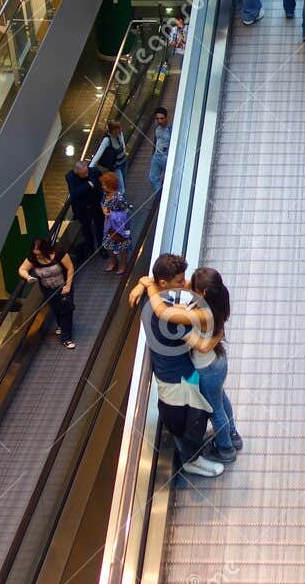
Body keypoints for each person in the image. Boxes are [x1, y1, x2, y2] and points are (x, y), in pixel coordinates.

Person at [129, 254, 224, 478]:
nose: (186, 284)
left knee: (191, 417)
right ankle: (191, 460)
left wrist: (144, 282)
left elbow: (156, 292)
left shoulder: (150, 298)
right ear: (163, 283)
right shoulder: (168, 320)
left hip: (173, 372)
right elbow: (201, 345)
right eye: (180, 281)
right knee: (191, 419)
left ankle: (193, 451)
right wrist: (220, 332)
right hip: (177, 379)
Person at [141, 266, 240, 463]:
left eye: (191, 286)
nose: (185, 285)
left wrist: (149, 287)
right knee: (220, 399)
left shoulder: (201, 314)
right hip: (217, 362)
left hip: (207, 368)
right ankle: (233, 435)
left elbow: (162, 312)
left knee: (214, 409)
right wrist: (142, 284)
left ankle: (226, 449)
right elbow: (173, 282)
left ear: (202, 292)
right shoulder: (215, 296)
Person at [19, 236, 77, 348]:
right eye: (36, 254)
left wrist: (68, 286)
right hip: (47, 289)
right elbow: (22, 269)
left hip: (63, 286)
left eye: (40, 253)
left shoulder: (59, 254)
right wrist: (27, 277)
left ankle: (66, 338)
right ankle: (61, 326)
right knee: (56, 308)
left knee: (66, 311)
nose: (38, 256)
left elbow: (70, 267)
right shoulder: (34, 258)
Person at [65, 160, 107, 254]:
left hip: (96, 205)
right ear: (77, 173)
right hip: (83, 208)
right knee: (86, 229)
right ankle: (90, 248)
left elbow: (102, 183)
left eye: (86, 171)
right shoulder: (70, 177)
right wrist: (88, 184)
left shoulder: (94, 171)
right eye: (83, 174)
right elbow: (74, 193)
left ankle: (102, 247)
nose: (86, 175)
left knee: (100, 227)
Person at [100, 170, 132, 275]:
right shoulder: (105, 194)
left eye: (104, 185)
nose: (102, 186)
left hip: (119, 226)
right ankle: (113, 261)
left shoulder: (119, 198)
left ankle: (123, 264)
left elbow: (126, 212)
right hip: (108, 225)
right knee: (109, 244)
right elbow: (102, 203)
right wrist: (104, 209)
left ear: (111, 185)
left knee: (122, 245)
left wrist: (111, 214)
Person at [90, 120, 129, 197]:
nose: (121, 130)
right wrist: (89, 168)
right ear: (113, 130)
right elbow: (98, 155)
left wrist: (124, 150)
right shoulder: (107, 140)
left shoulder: (119, 134)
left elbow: (122, 143)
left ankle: (121, 202)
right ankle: (116, 204)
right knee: (121, 189)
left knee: (122, 183)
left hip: (123, 163)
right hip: (116, 167)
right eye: (118, 128)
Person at [149, 107, 173, 190]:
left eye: (162, 118)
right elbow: (156, 142)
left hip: (166, 156)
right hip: (157, 156)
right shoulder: (157, 129)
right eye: (157, 119)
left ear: (166, 118)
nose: (159, 121)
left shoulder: (171, 130)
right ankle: (160, 193)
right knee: (152, 178)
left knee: (169, 179)